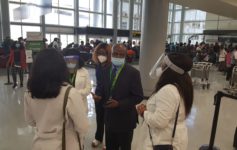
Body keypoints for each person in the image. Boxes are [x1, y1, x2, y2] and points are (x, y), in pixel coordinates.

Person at [24, 49, 89, 150]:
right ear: (61, 67)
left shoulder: (29, 93)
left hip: (40, 144)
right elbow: (83, 126)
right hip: (66, 145)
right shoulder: (70, 93)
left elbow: (31, 122)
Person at [136, 53, 193, 150]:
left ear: (170, 70)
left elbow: (159, 121)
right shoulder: (180, 86)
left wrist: (143, 112)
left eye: (163, 65)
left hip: (162, 142)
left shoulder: (168, 90)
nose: (160, 68)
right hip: (170, 140)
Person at [101, 44, 143, 150]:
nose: (118, 56)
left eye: (121, 55)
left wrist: (119, 104)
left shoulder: (133, 73)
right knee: (110, 146)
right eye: (115, 54)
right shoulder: (105, 69)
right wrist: (98, 96)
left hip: (125, 120)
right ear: (111, 54)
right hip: (109, 118)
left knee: (125, 147)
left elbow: (138, 96)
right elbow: (103, 89)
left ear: (125, 56)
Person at [91, 43, 112, 148]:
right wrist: (97, 94)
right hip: (99, 97)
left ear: (108, 54)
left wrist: (104, 96)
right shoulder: (98, 66)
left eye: (103, 53)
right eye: (99, 53)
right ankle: (98, 137)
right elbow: (99, 83)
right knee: (99, 119)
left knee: (108, 120)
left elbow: (110, 84)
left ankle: (108, 141)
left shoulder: (112, 67)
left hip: (109, 97)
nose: (100, 55)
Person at [63, 48, 92, 113]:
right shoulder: (62, 71)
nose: (71, 61)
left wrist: (75, 94)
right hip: (65, 105)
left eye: (73, 58)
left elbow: (88, 88)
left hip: (81, 105)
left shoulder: (84, 71)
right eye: (68, 59)